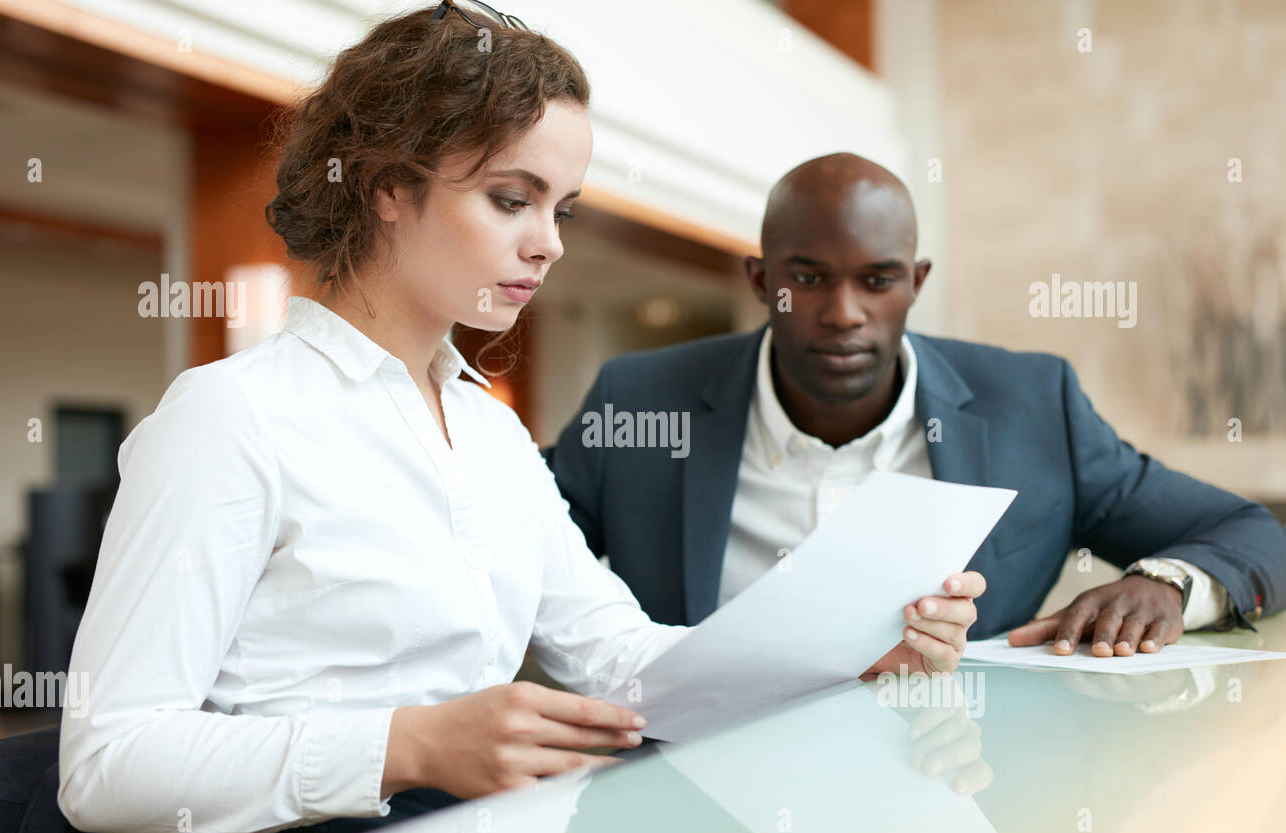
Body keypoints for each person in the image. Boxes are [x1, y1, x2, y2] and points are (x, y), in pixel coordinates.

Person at [56, 8, 982, 833]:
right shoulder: (230, 419)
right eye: (512, 199)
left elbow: (622, 660)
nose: (550, 243)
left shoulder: (492, 438)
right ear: (386, 186)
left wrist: (844, 652)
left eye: (562, 209)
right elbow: (108, 762)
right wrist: (407, 746)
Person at [546, 152, 1286, 666]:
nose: (844, 313)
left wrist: (1166, 584)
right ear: (759, 278)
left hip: (954, 789)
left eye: (877, 280)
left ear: (916, 282)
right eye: (807, 278)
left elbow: (1253, 534)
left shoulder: (1034, 406)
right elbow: (509, 549)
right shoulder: (638, 403)